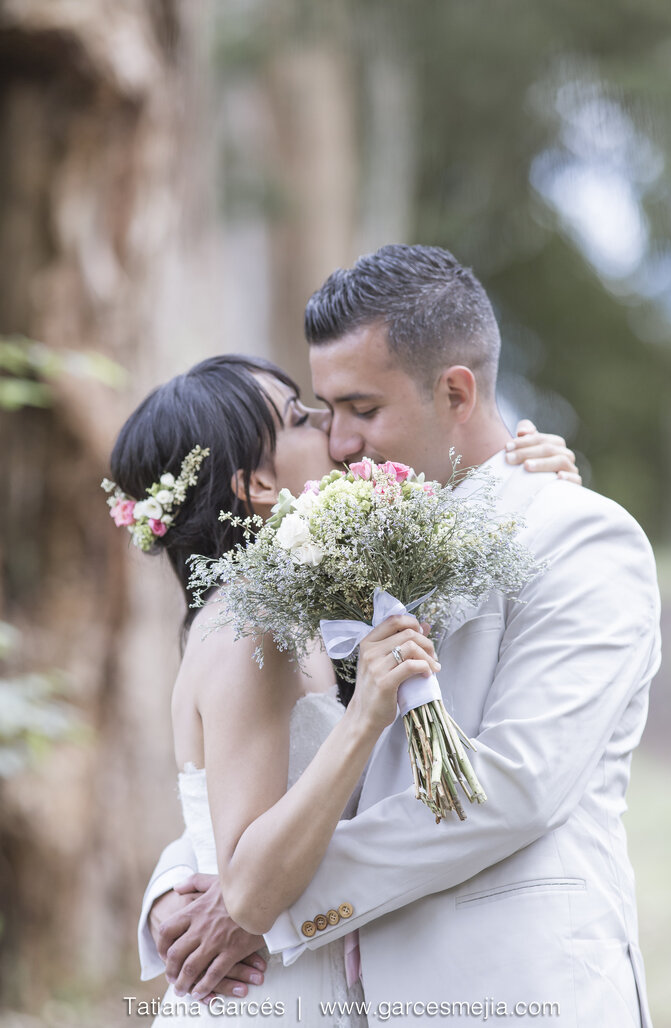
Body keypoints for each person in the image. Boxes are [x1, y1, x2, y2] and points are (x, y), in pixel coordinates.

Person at [141, 247, 660, 1027]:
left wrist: (258, 902)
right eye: (323, 411)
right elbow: (297, 766)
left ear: (454, 390)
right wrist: (181, 885)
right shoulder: (332, 552)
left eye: (362, 409)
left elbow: (513, 785)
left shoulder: (576, 535)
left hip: (518, 993)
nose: (341, 442)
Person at [109, 351, 576, 1026]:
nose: (331, 430)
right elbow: (244, 881)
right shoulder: (248, 631)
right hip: (266, 999)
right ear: (257, 484)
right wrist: (364, 715)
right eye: (300, 418)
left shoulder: (295, 608)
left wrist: (530, 480)